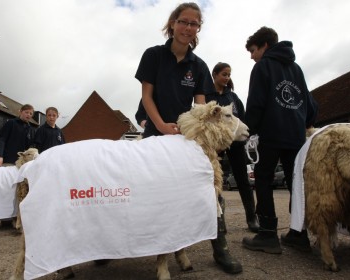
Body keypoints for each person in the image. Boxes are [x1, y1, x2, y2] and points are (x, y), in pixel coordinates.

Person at [135, 2, 242, 274]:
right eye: (183, 21)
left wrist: (193, 130)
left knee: (209, 187)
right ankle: (118, 245)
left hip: (185, 137)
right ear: (173, 23)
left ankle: (221, 248)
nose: (188, 28)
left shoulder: (200, 66)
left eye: (194, 24)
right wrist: (160, 125)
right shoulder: (153, 55)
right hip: (156, 134)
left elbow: (202, 109)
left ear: (198, 29)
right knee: (149, 193)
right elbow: (146, 97)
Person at [241, 26, 318, 254]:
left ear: (265, 46)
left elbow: (256, 103)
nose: (252, 56)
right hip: (295, 137)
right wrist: (305, 121)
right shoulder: (296, 68)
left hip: (271, 134)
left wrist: (248, 129)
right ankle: (299, 234)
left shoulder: (262, 67)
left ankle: (267, 234)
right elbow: (309, 103)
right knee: (297, 184)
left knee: (263, 179)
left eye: (253, 50)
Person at [206, 62, 259, 233]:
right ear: (214, 74)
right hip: (217, 147)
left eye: (229, 74)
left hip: (235, 145)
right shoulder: (207, 96)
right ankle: (219, 221)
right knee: (216, 181)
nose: (227, 78)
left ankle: (252, 218)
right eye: (224, 74)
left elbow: (241, 119)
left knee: (243, 180)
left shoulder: (233, 98)